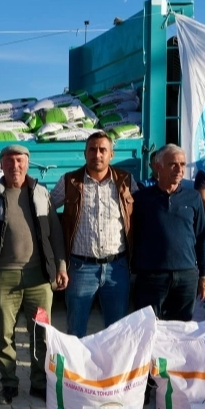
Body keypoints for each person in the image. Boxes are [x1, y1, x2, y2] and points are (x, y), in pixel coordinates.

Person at [0, 145, 67, 405]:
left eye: (20, 161)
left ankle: (39, 384)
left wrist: (61, 266)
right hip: (4, 278)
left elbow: (55, 234)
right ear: (1, 164)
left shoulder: (41, 193)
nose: (15, 166)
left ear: (27, 163)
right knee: (4, 334)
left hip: (39, 279)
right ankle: (9, 384)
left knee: (41, 334)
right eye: (9, 161)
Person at [50, 131, 134, 337]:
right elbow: (46, 212)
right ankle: (78, 360)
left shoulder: (125, 181)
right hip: (80, 269)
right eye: (92, 149)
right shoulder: (69, 181)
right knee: (76, 331)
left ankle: (112, 360)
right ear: (85, 153)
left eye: (103, 150)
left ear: (111, 154)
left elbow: (139, 216)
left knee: (117, 332)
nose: (97, 154)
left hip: (117, 269)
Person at [132, 144, 205, 321]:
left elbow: (201, 237)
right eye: (173, 164)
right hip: (151, 277)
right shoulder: (141, 199)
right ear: (158, 167)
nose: (179, 169)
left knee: (181, 329)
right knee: (147, 327)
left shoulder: (193, 197)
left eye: (182, 164)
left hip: (186, 277)